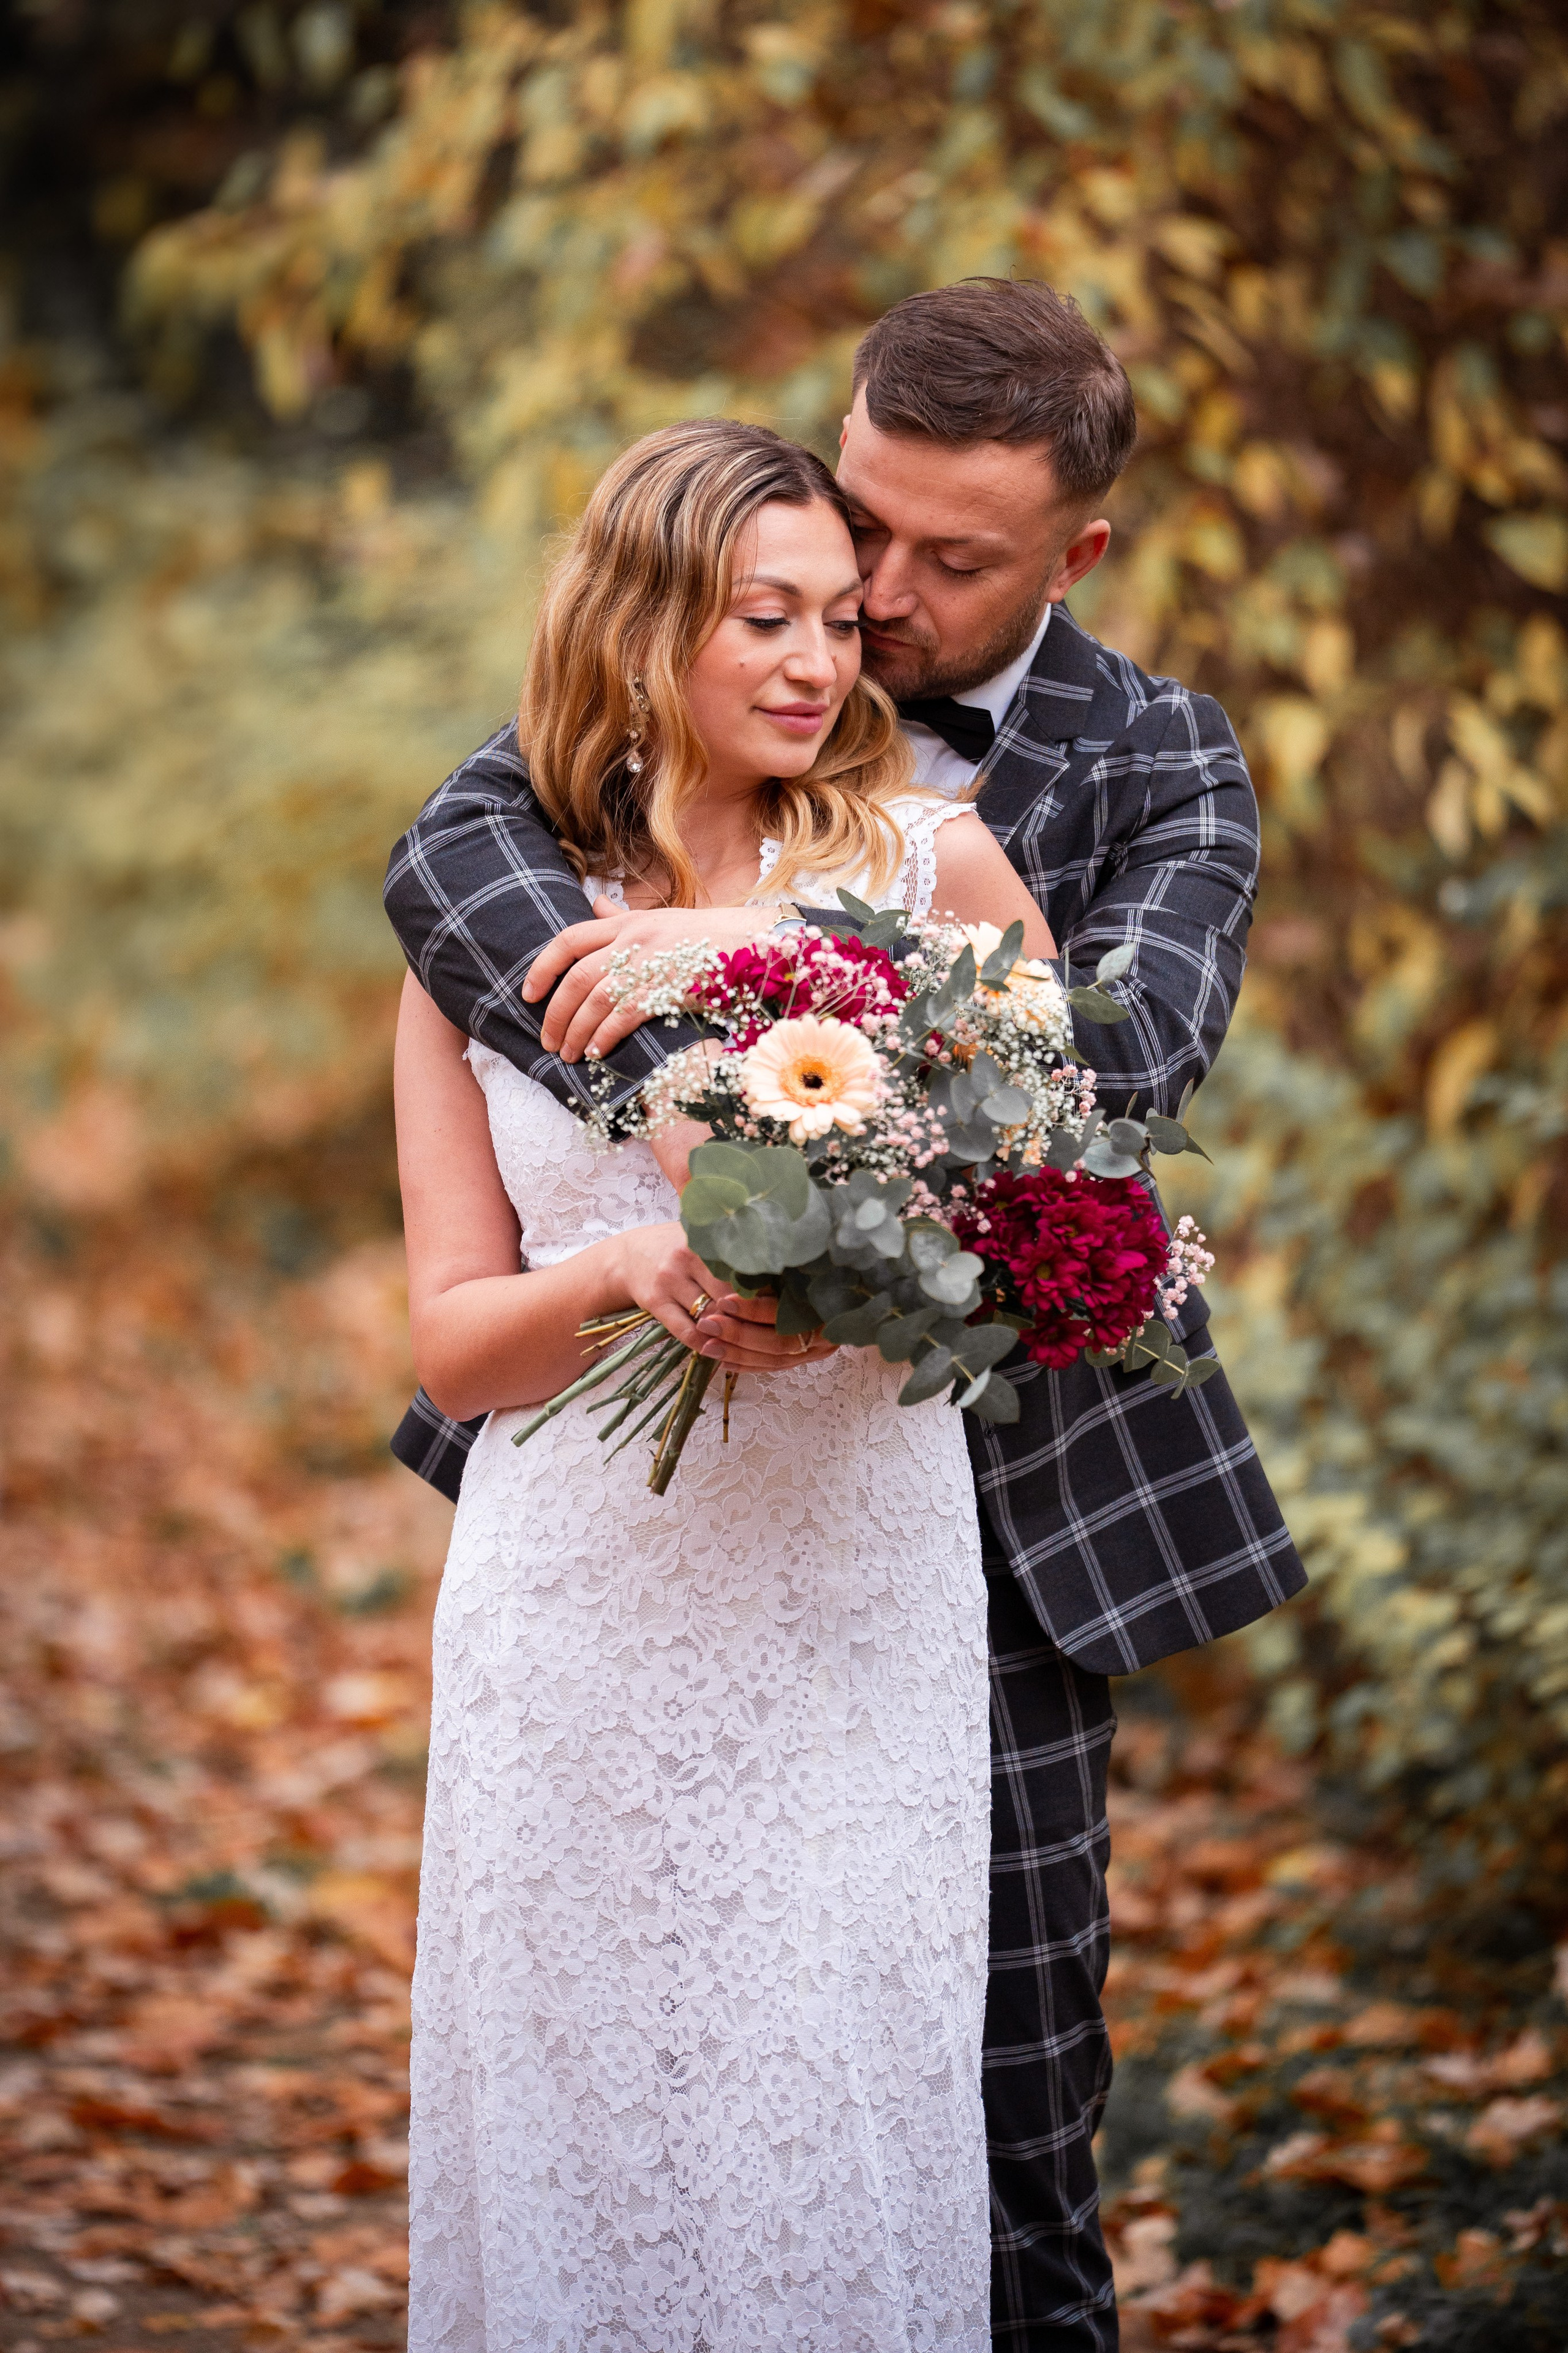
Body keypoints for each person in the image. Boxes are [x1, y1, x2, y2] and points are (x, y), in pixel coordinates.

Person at [386, 281, 1308, 2351]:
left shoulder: (1159, 762)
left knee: (995, 2120)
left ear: (1076, 550)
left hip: (1002, 1521)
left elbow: (1118, 1060)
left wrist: (767, 946)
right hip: (626, 1520)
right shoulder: (532, 797)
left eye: (938, 562)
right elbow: (460, 899)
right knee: (605, 2099)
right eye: (845, 534)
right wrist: (715, 1199)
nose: (869, 607)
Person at [396, 415, 1064, 2351]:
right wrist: (622, 1271)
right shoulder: (484, 919)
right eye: (759, 616)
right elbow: (452, 1334)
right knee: (582, 2126)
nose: (814, 662)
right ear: (637, 627)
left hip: (851, 1581)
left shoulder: (927, 859)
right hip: (574, 1600)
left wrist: (867, 1257)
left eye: (838, 622)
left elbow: (1051, 1128)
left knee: (830, 2107)